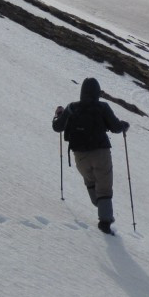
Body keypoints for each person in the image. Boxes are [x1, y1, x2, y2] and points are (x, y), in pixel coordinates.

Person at [53, 78, 129, 234]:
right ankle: (105, 223)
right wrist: (124, 125)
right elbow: (115, 127)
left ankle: (100, 204)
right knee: (104, 187)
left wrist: (58, 115)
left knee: (91, 181)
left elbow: (57, 127)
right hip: (101, 152)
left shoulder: (72, 107)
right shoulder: (102, 107)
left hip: (80, 155)